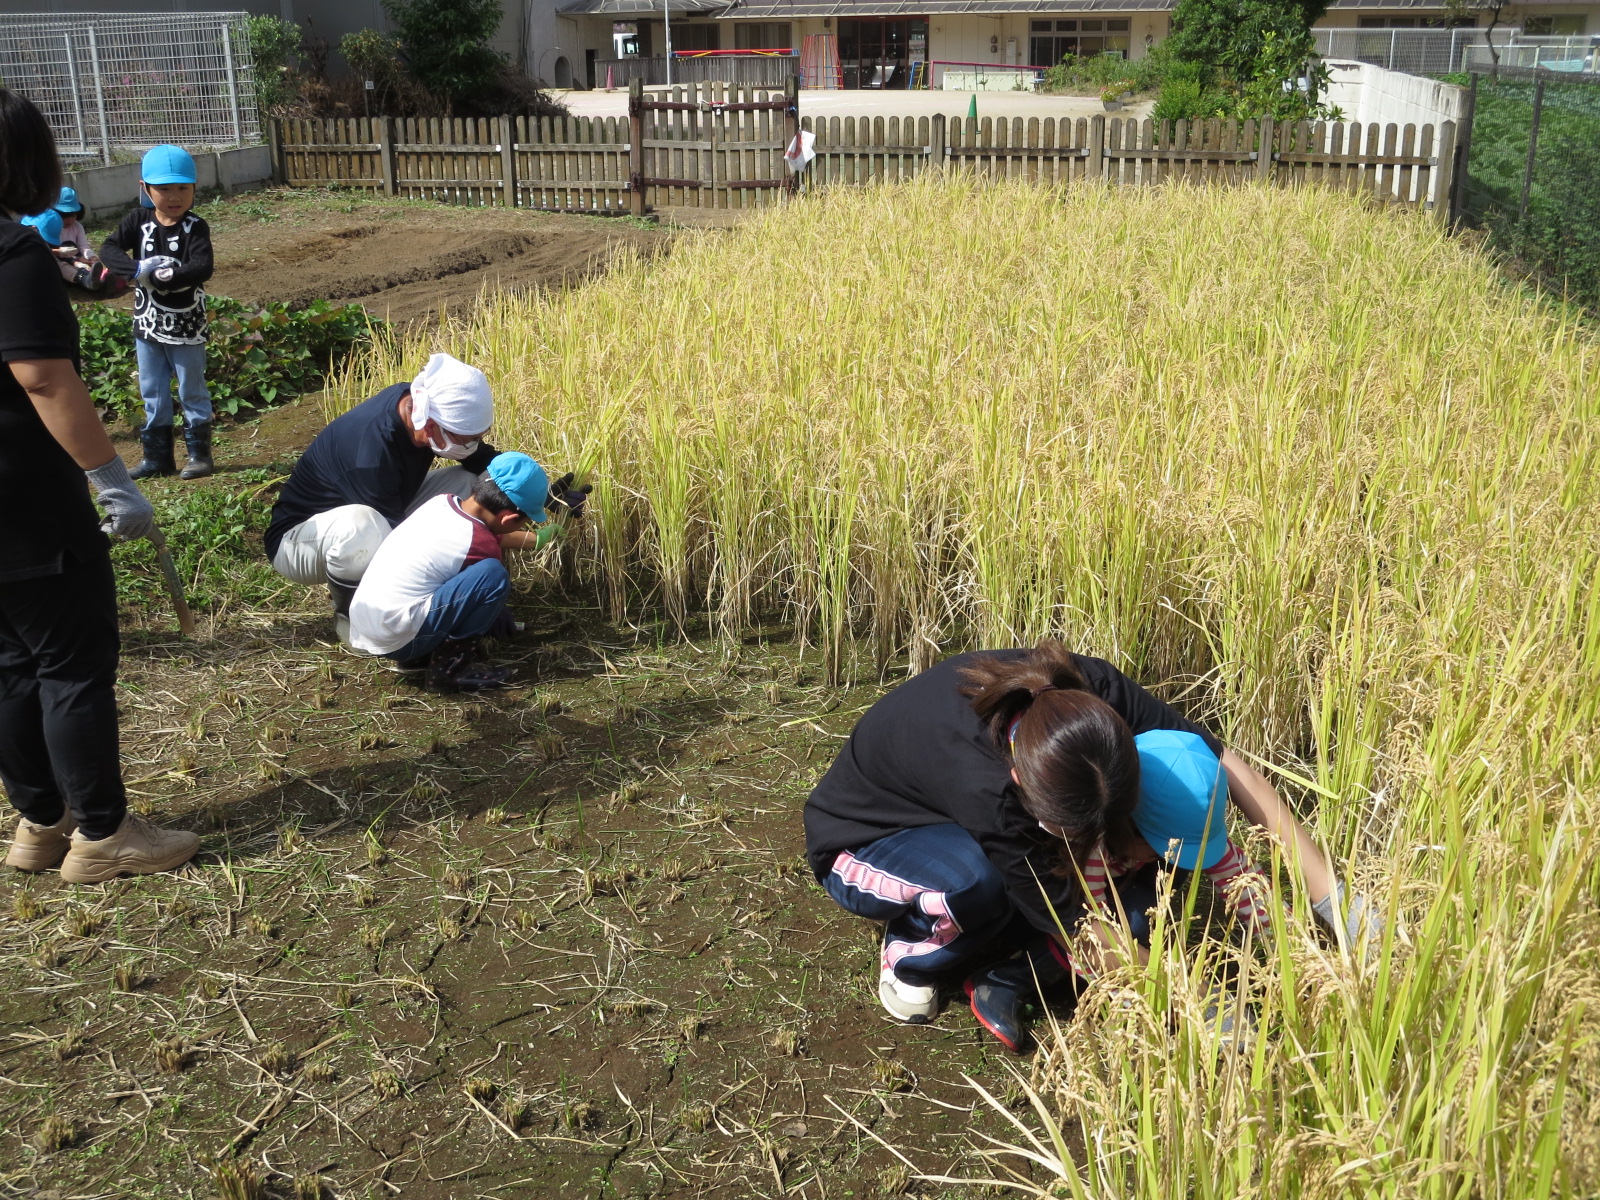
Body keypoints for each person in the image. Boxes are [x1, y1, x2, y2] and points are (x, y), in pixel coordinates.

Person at [803, 641, 1382, 1054]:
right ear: (1032, 798)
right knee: (975, 882)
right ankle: (912, 951)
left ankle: (1008, 954)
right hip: (869, 841)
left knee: (1147, 883)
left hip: (985, 820)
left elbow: (1227, 765)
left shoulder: (1093, 693)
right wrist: (1210, 1015)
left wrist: (1337, 902)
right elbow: (1086, 930)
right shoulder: (990, 795)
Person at [0, 87, 199, 884]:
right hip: (25, 498)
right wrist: (114, 482)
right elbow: (45, 380)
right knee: (72, 662)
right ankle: (106, 834)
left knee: (10, 662)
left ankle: (41, 822)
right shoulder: (10, 256)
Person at [264, 352, 586, 643]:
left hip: (386, 506)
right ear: (431, 425)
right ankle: (355, 620)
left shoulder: (422, 402)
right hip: (300, 541)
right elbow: (399, 545)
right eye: (467, 439)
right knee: (363, 527)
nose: (472, 446)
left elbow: (484, 470)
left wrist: (540, 499)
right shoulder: (370, 453)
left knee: (469, 482)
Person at [348, 453, 567, 691]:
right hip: (396, 638)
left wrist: (536, 540)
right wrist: (495, 615)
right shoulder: (480, 546)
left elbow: (486, 535)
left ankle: (423, 651)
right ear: (509, 518)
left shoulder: (442, 503)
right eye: (524, 522)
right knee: (493, 576)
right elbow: (485, 565)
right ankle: (449, 671)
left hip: (369, 622)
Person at [99, 144, 216, 481]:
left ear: (195, 188)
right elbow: (108, 248)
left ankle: (199, 456)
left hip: (187, 324)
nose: (174, 196)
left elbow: (202, 266)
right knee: (151, 388)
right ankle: (157, 458)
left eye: (183, 188)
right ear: (145, 189)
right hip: (147, 323)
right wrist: (135, 268)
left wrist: (167, 275)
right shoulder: (137, 221)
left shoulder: (196, 227)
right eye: (163, 189)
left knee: (191, 387)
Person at [50, 187, 114, 292]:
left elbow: (83, 246)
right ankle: (85, 279)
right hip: (60, 261)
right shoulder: (52, 228)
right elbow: (53, 251)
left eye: (73, 215)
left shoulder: (77, 227)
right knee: (63, 266)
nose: (70, 220)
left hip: (76, 259)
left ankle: (100, 280)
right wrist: (75, 260)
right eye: (65, 216)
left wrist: (92, 257)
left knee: (87, 267)